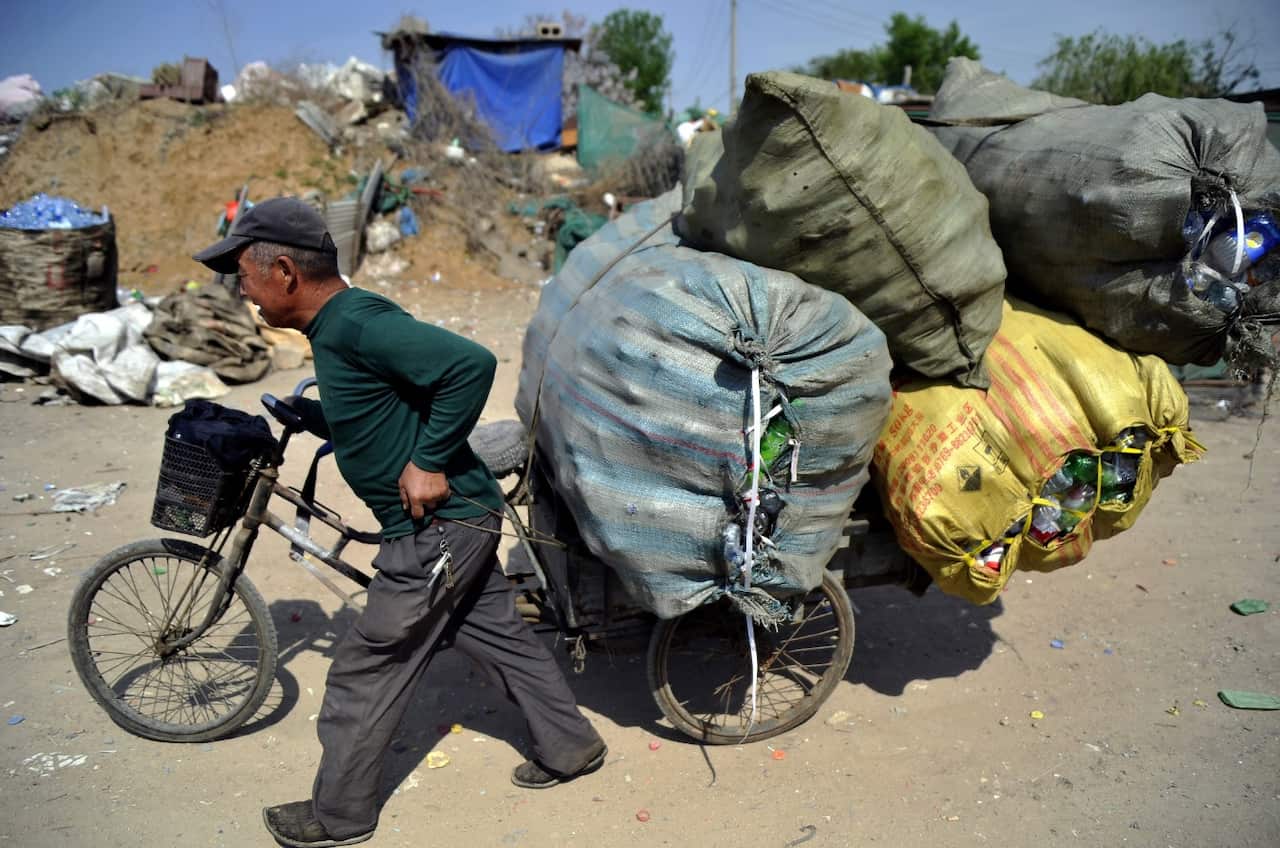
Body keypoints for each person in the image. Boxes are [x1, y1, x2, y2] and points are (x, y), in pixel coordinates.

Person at [193, 197, 606, 848]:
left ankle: (340, 815)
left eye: (241, 274)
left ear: (283, 271)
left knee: (366, 667)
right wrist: (323, 420)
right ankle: (571, 744)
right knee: (498, 635)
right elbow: (388, 405)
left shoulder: (354, 324)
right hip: (460, 525)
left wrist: (428, 460)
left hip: (434, 530)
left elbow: (469, 365)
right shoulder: (336, 330)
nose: (239, 290)